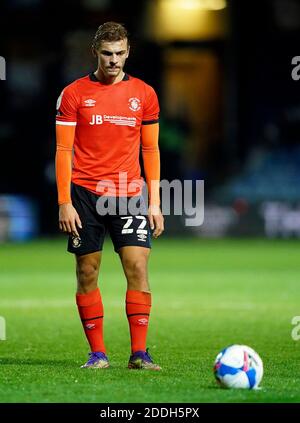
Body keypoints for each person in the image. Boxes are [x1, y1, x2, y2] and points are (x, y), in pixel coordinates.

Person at [55, 22, 164, 370]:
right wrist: (64, 201)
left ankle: (139, 354)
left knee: (137, 266)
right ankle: (98, 354)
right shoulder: (73, 94)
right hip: (84, 194)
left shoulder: (145, 95)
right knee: (87, 271)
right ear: (95, 53)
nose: (113, 60)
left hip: (130, 193)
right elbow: (62, 150)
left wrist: (155, 202)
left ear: (128, 51)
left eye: (119, 53)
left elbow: (151, 150)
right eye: (107, 53)